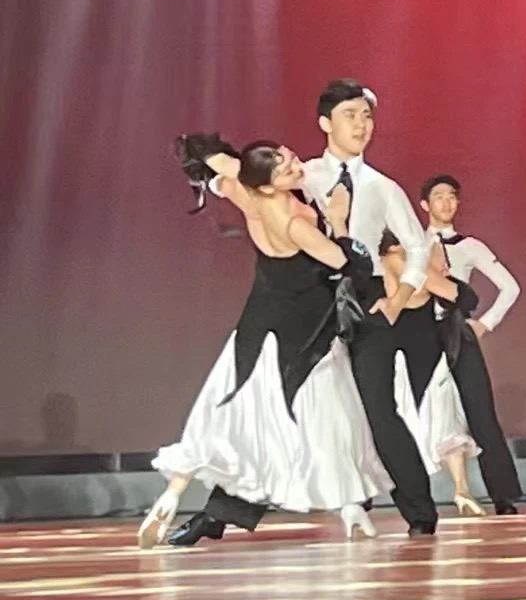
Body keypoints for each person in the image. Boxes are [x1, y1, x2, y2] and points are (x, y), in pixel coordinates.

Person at [171, 80, 447, 541]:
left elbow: (417, 247)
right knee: (282, 409)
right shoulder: (302, 173)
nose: (361, 125)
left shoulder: (382, 187)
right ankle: (219, 514)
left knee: (378, 409)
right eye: (350, 115)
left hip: (366, 303)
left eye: (366, 116)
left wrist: (398, 300)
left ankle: (420, 513)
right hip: (312, 309)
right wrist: (212, 168)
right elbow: (246, 183)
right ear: (325, 123)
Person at [141, 137, 390, 547]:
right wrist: (339, 220)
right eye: (285, 167)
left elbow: (214, 158)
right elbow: (347, 263)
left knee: (244, 413)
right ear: (270, 184)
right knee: (325, 417)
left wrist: (210, 170)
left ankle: (177, 497)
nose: (295, 164)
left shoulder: (247, 189)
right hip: (301, 332)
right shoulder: (292, 223)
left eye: (289, 155)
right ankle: (350, 507)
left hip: (262, 322)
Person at [417, 174, 525, 514]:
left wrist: (484, 324)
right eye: (438, 196)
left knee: (480, 410)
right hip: (417, 332)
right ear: (424, 205)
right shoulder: (411, 244)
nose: (446, 202)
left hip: (456, 330)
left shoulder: (470, 246)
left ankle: (503, 495)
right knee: (416, 408)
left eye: (452, 196)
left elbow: (510, 287)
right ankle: (418, 497)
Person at [375, 232, 487, 517]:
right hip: (416, 348)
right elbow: (462, 297)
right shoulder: (404, 262)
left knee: (420, 419)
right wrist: (447, 280)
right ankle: (460, 489)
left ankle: (457, 490)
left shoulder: (380, 262)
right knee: (440, 418)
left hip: (404, 347)